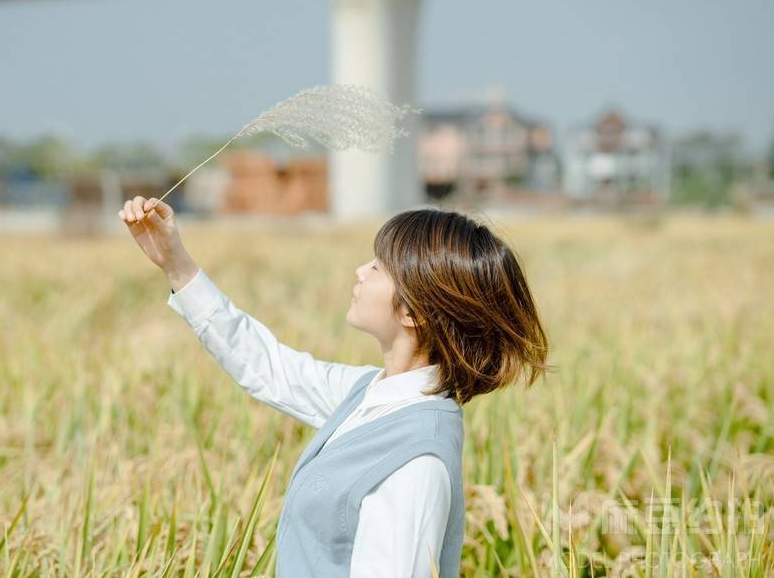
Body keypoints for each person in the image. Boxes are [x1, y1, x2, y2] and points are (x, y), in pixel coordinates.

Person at [119, 196, 552, 577]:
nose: (361, 270)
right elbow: (269, 368)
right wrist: (175, 262)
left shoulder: (415, 464)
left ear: (415, 313)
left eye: (380, 266)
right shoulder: (369, 393)